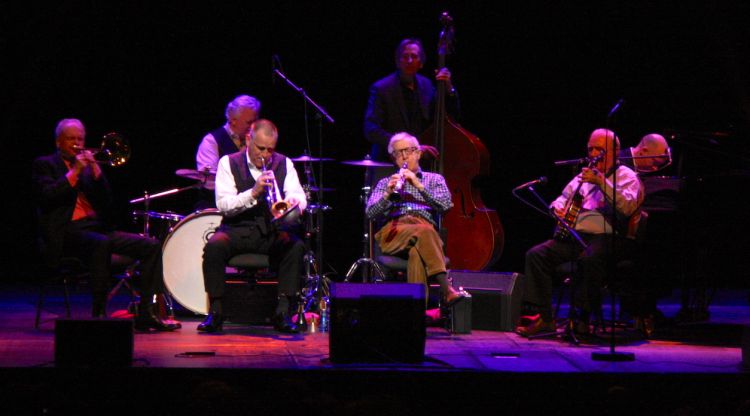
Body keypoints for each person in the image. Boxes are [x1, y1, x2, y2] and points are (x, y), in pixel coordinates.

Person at [32, 118, 177, 331]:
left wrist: (97, 174)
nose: (77, 144)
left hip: (95, 229)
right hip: (65, 233)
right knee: (100, 244)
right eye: (71, 139)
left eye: (80, 139)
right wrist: (74, 173)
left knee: (151, 246)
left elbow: (108, 206)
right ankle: (99, 315)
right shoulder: (45, 164)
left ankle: (147, 313)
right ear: (58, 142)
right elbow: (47, 196)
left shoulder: (89, 168)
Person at [516, 128, 645, 337]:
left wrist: (601, 182)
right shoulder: (583, 176)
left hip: (612, 238)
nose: (594, 154)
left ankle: (581, 318)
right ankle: (546, 318)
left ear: (614, 151)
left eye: (599, 150)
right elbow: (563, 197)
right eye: (590, 149)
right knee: (536, 255)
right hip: (578, 238)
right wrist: (556, 207)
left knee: (589, 258)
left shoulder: (627, 177)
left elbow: (628, 207)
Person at [199, 119, 307, 333]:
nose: (265, 155)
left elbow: (298, 196)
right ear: (248, 139)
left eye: (270, 149)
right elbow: (224, 205)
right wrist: (254, 193)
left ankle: (283, 312)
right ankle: (216, 311)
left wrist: (294, 203)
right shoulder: (227, 162)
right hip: (236, 229)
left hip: (271, 230)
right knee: (214, 246)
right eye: (260, 148)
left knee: (295, 246)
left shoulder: (284, 163)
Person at [365, 132, 465, 304]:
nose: (404, 156)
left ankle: (416, 314)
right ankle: (446, 289)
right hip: (394, 232)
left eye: (408, 151)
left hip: (424, 231)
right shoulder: (385, 183)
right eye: (398, 153)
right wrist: (388, 194)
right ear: (394, 158)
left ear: (418, 153)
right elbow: (370, 214)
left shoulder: (434, 180)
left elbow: (446, 206)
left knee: (416, 254)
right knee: (424, 232)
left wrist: (419, 186)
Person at [363, 38, 458, 163]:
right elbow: (371, 129)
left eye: (414, 56)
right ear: (398, 61)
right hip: (388, 162)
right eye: (405, 56)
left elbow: (450, 116)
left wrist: (448, 88)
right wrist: (406, 146)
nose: (409, 60)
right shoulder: (381, 88)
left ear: (421, 63)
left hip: (420, 164)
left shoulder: (427, 86)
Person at [194, 94, 261, 208]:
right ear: (233, 120)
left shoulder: (254, 140)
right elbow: (209, 183)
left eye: (255, 122)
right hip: (217, 209)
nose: (253, 127)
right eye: (249, 122)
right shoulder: (211, 142)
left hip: (251, 206)